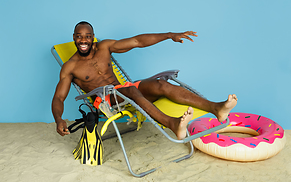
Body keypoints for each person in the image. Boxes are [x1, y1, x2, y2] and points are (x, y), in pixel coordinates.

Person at [52, 21, 237, 139]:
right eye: (79, 36)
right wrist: (58, 118)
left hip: (124, 89)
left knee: (160, 84)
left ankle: (216, 108)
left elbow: (136, 42)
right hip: (106, 101)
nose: (83, 40)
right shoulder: (70, 67)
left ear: (93, 37)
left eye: (87, 36)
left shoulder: (104, 47)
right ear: (74, 38)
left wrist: (169, 35)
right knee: (132, 91)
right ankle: (172, 124)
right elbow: (59, 98)